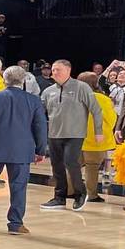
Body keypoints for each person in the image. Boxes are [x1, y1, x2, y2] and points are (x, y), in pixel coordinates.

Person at [0, 66, 48, 235]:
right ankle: (15, 224)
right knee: (19, 187)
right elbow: (40, 127)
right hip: (22, 150)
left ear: (4, 79)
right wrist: (41, 150)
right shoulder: (33, 100)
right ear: (23, 80)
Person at [40, 59, 103, 211]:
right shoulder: (48, 91)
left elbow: (96, 110)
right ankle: (59, 197)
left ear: (68, 70)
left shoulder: (81, 87)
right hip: (54, 134)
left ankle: (80, 193)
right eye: (53, 70)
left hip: (75, 134)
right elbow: (39, 112)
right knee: (56, 166)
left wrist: (98, 131)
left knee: (70, 162)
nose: (54, 72)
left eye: (58, 70)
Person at [78, 71, 116, 203]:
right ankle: (92, 194)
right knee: (92, 167)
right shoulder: (103, 99)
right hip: (95, 140)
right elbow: (111, 119)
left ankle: (70, 191)